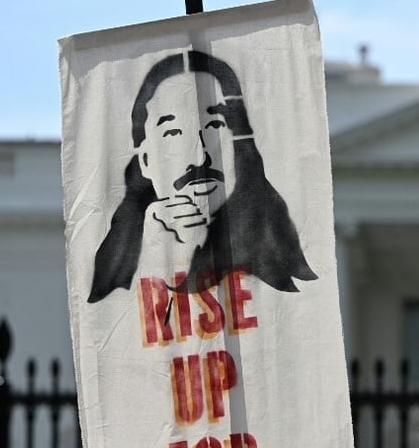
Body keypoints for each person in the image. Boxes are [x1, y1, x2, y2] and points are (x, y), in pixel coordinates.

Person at [88, 50, 317, 303]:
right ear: (145, 160)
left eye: (215, 126)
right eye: (173, 133)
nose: (200, 158)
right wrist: (158, 258)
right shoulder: (123, 265)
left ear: (240, 149)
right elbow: (111, 332)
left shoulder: (283, 260)